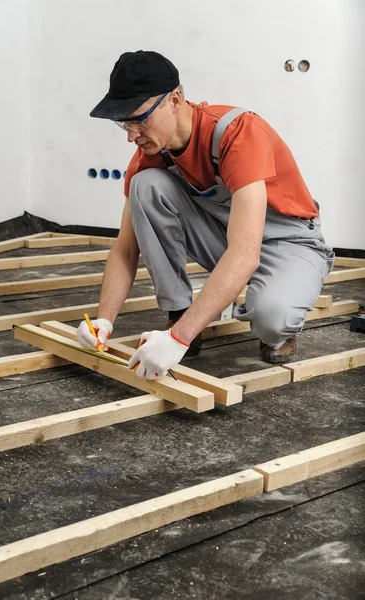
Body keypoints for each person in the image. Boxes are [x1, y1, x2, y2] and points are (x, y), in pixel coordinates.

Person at [77, 50, 334, 380]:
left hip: (290, 241)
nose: (131, 135)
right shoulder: (150, 155)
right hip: (229, 237)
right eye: (124, 123)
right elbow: (125, 249)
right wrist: (104, 321)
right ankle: (179, 312)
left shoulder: (238, 133)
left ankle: (268, 317)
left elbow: (244, 254)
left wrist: (176, 341)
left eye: (139, 120)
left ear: (175, 99)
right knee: (145, 185)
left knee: (272, 318)